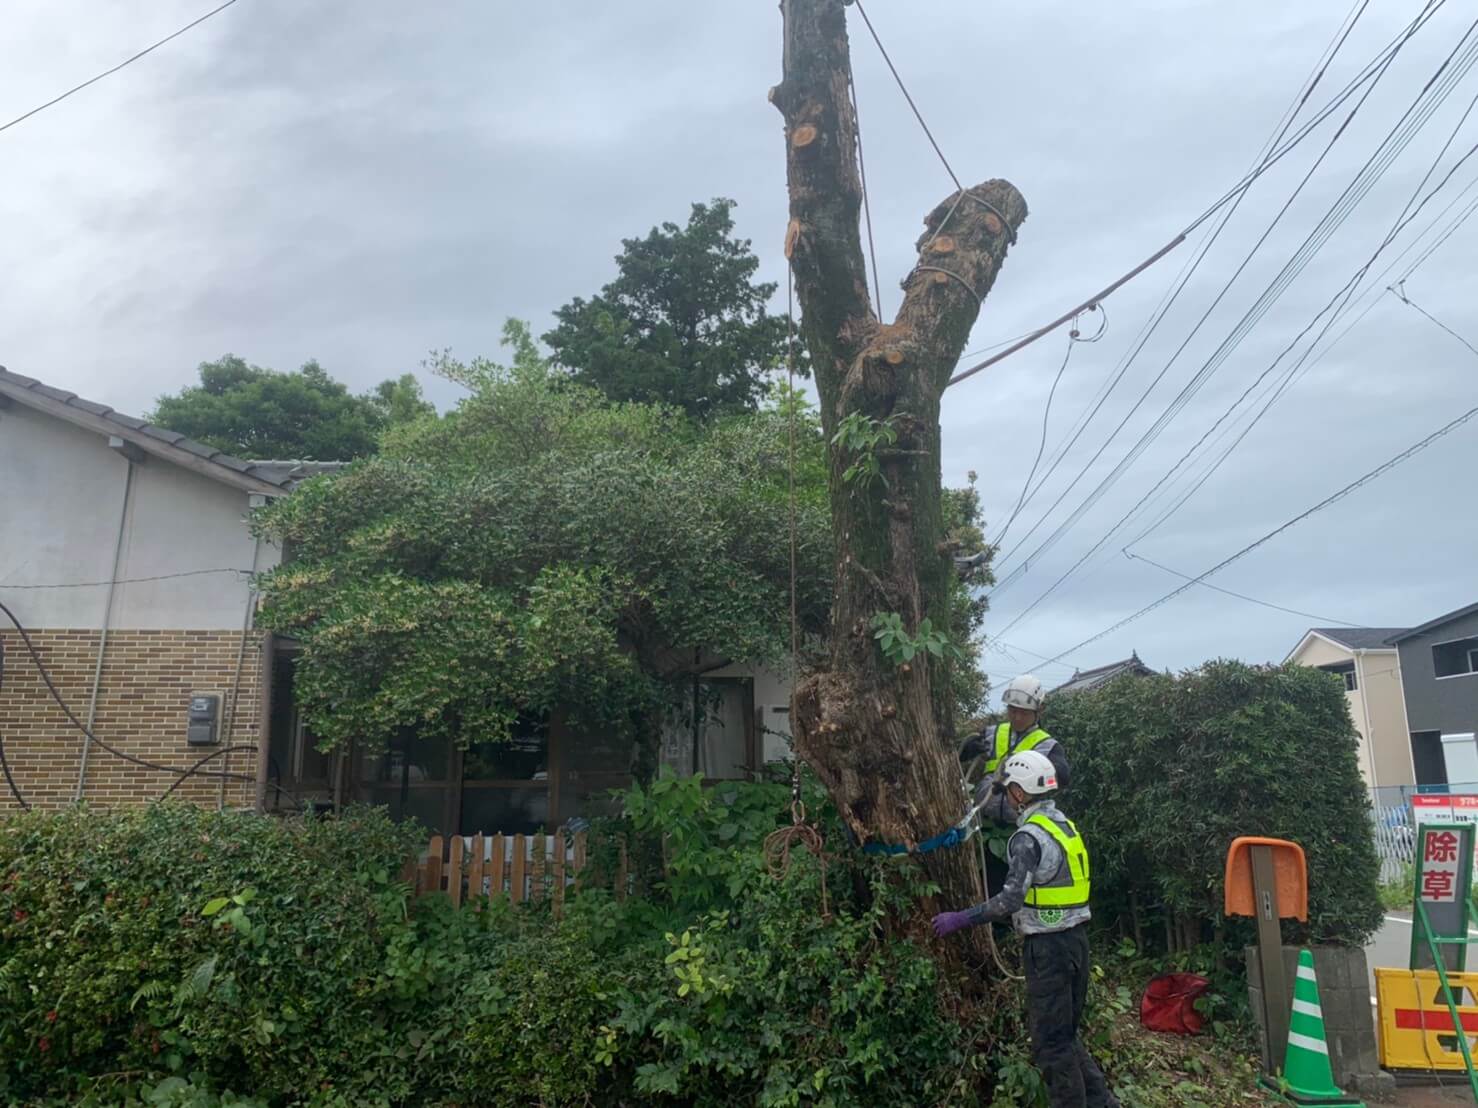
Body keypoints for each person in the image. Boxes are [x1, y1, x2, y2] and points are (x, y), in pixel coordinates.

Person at [932, 750, 1118, 1108]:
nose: (1004, 799)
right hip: (1076, 942)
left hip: (1048, 951)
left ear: (1019, 792)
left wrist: (962, 918)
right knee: (1066, 1037)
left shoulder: (1027, 838)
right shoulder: (1063, 825)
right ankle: (1104, 1104)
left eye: (1007, 792)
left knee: (1051, 1045)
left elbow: (1008, 901)